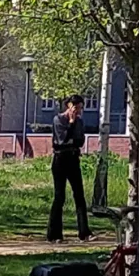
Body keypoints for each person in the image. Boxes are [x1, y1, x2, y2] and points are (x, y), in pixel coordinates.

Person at [46, 97, 90, 241]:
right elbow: (62, 140)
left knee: (79, 195)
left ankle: (84, 232)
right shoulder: (58, 120)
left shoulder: (80, 122)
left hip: (73, 159)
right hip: (60, 160)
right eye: (76, 108)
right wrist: (70, 124)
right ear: (69, 107)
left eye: (80, 108)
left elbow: (80, 141)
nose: (78, 111)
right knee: (60, 196)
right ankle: (54, 234)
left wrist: (72, 136)